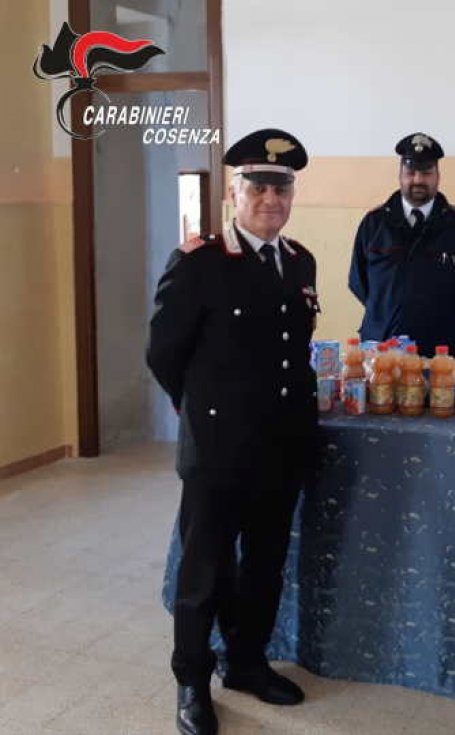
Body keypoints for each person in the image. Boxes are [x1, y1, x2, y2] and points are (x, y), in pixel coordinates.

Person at [147, 129, 318, 735]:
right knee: (206, 570)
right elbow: (164, 353)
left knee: (266, 563)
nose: (271, 198)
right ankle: (193, 679)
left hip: (281, 446)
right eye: (259, 185)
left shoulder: (299, 261)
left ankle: (246, 663)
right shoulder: (199, 262)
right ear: (234, 192)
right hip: (219, 448)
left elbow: (291, 354)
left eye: (282, 186)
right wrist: (200, 411)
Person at [348, 132, 455, 358]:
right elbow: (358, 282)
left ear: (437, 176)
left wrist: (440, 315)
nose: (418, 180)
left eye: (426, 172)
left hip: (439, 352)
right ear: (400, 175)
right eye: (410, 172)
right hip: (381, 350)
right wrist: (386, 310)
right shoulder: (374, 223)